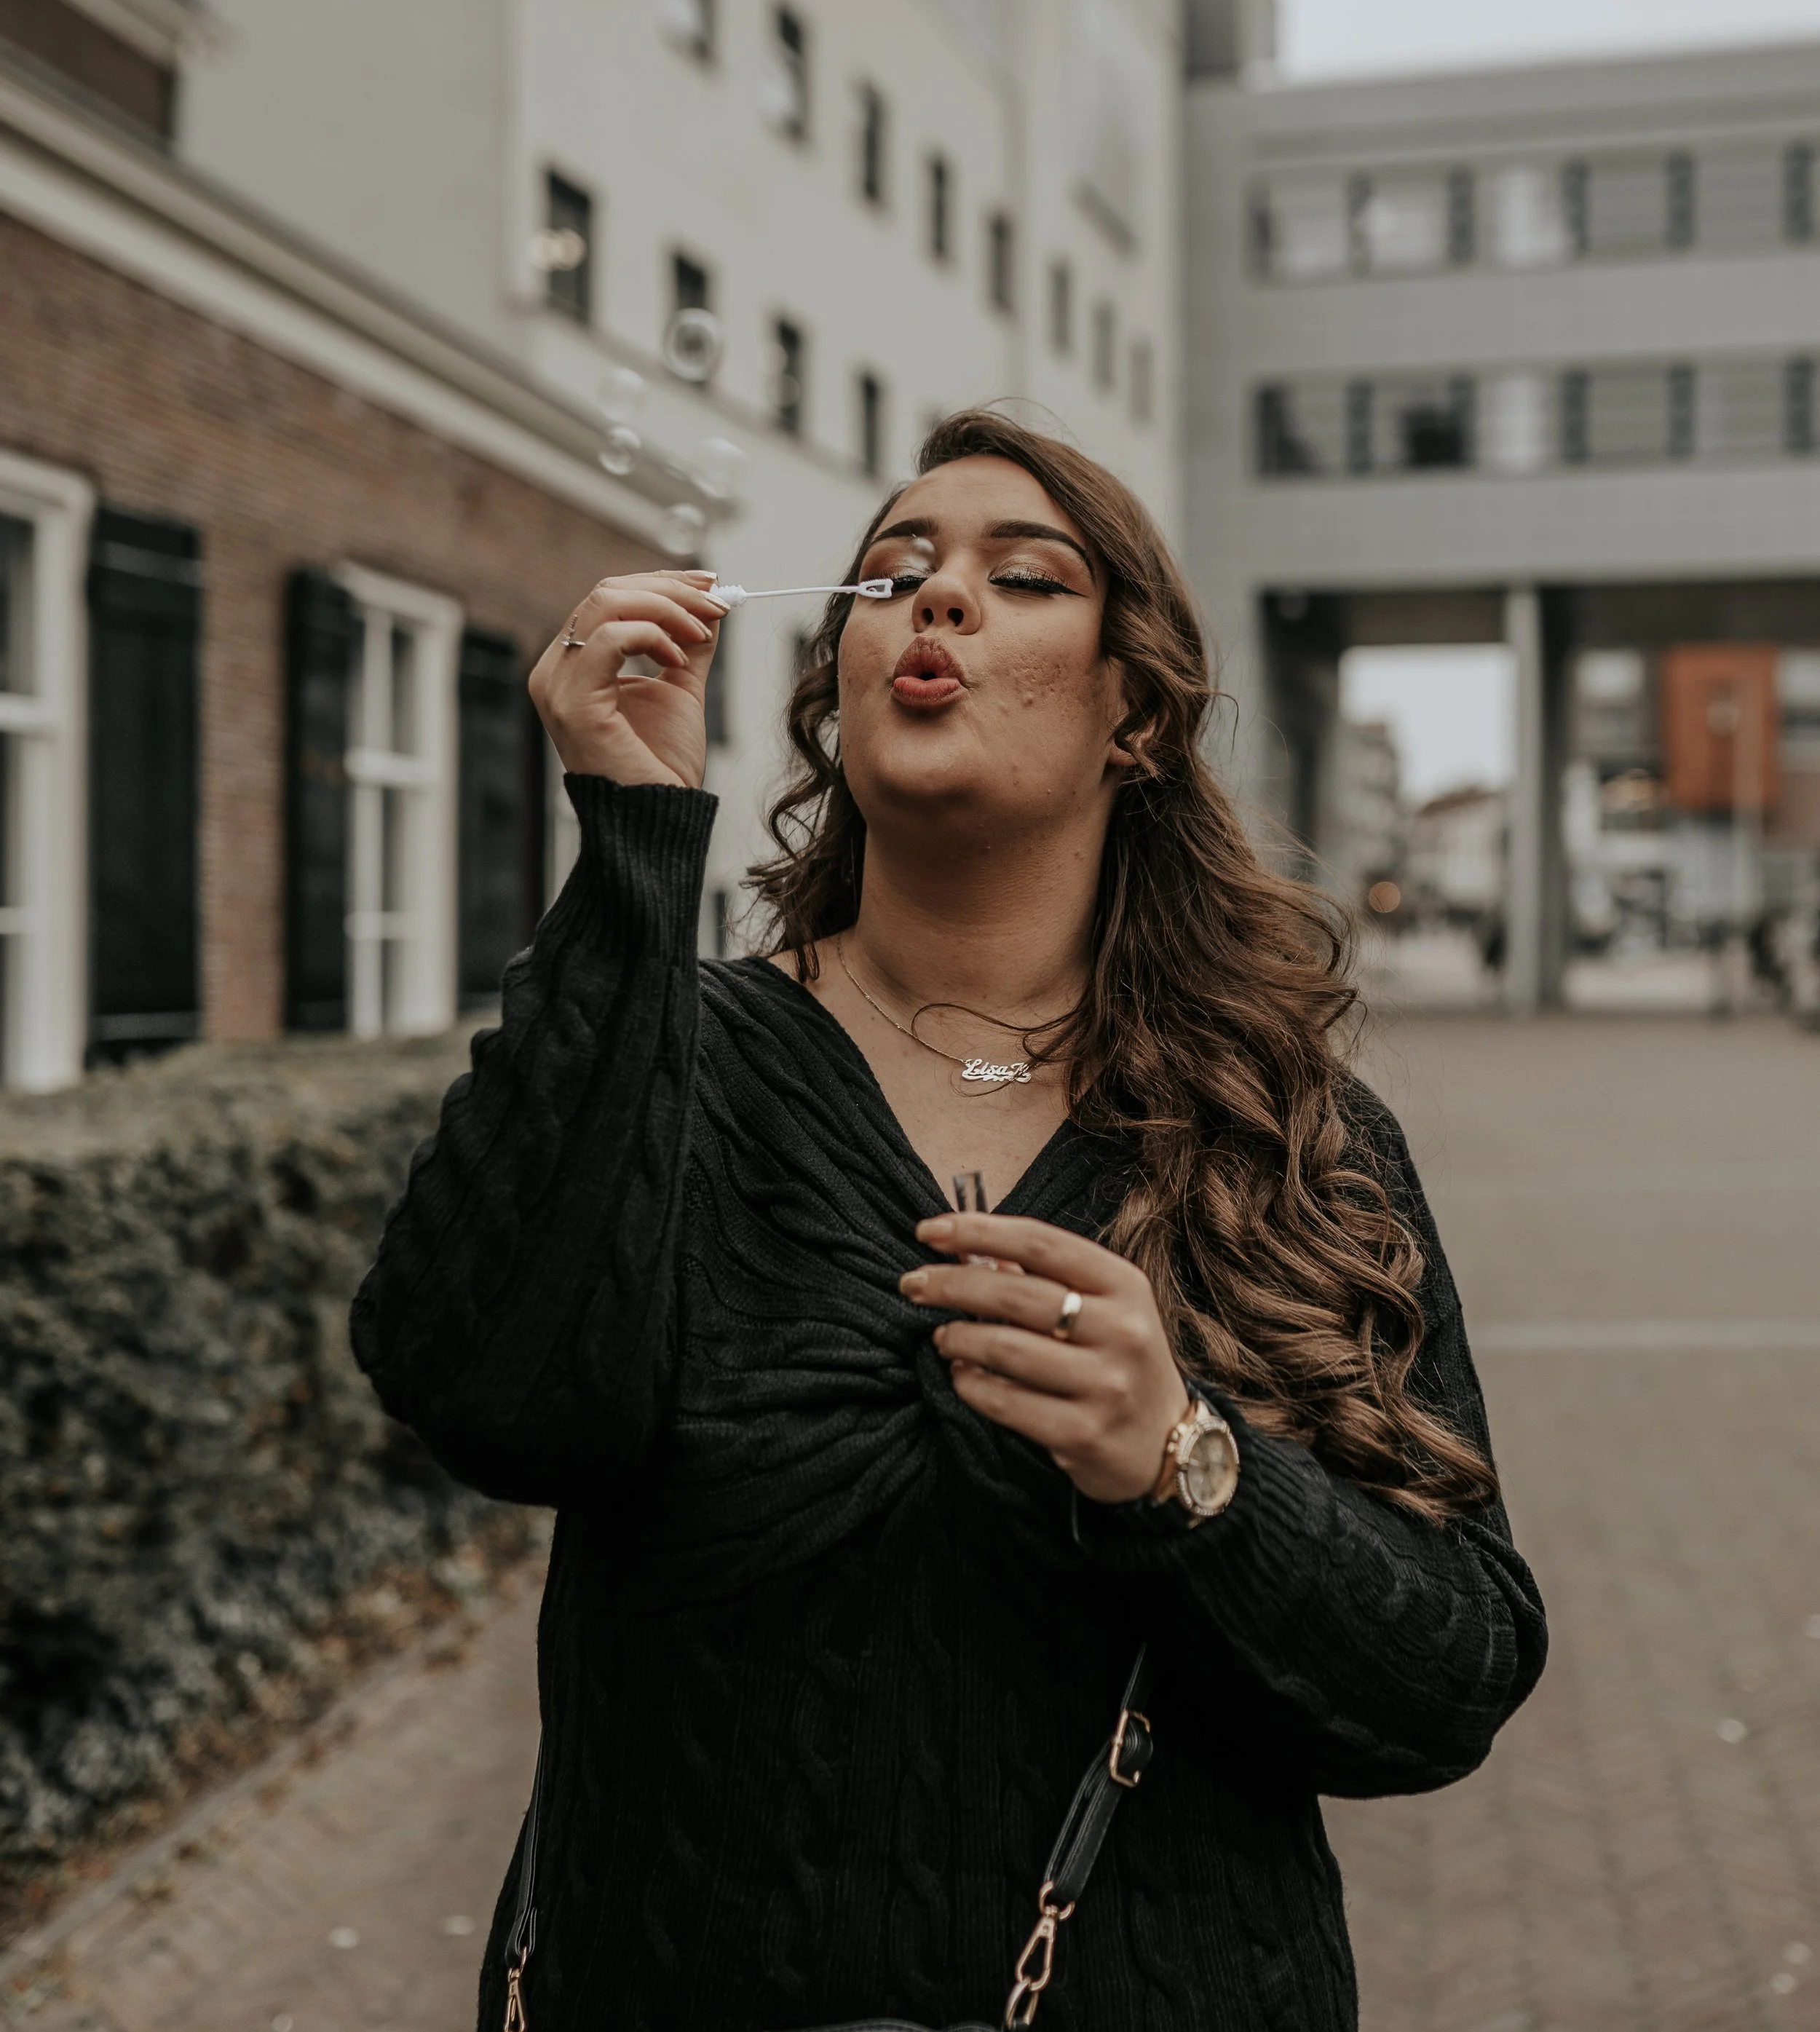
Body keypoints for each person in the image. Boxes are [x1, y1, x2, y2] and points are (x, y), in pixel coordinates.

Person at [352, 408, 1546, 2031]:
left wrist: (1182, 1461)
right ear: (836, 694)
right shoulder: (663, 1047)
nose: (936, 600)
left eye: (1023, 575)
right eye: (889, 573)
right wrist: (631, 843)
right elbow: (484, 1388)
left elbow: (1451, 1677)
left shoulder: (1283, 1136)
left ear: (1134, 713)